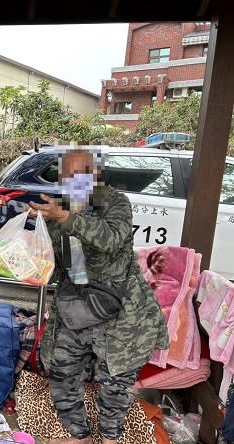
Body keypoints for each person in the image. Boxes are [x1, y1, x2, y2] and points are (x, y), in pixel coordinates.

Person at [26, 148, 168, 444]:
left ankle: (109, 439)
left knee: (114, 384)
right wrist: (35, 225)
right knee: (62, 370)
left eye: (80, 175)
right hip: (78, 307)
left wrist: (65, 217)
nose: (72, 182)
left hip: (121, 313)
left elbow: (110, 239)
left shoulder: (114, 202)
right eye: (66, 176)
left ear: (96, 176)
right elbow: (56, 259)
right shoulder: (60, 205)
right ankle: (79, 435)